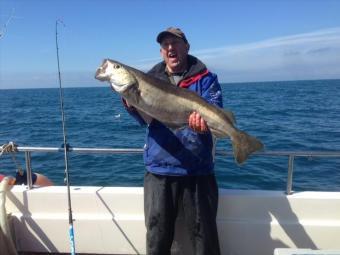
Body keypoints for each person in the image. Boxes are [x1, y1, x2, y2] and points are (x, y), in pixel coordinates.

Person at [124, 27, 222, 255]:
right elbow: (145, 119)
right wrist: (131, 104)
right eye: (165, 44)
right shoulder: (148, 80)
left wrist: (204, 125)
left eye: (175, 43)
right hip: (159, 170)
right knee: (156, 239)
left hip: (198, 171)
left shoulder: (206, 79)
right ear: (161, 52)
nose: (171, 48)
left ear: (186, 47)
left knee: (205, 241)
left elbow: (216, 111)